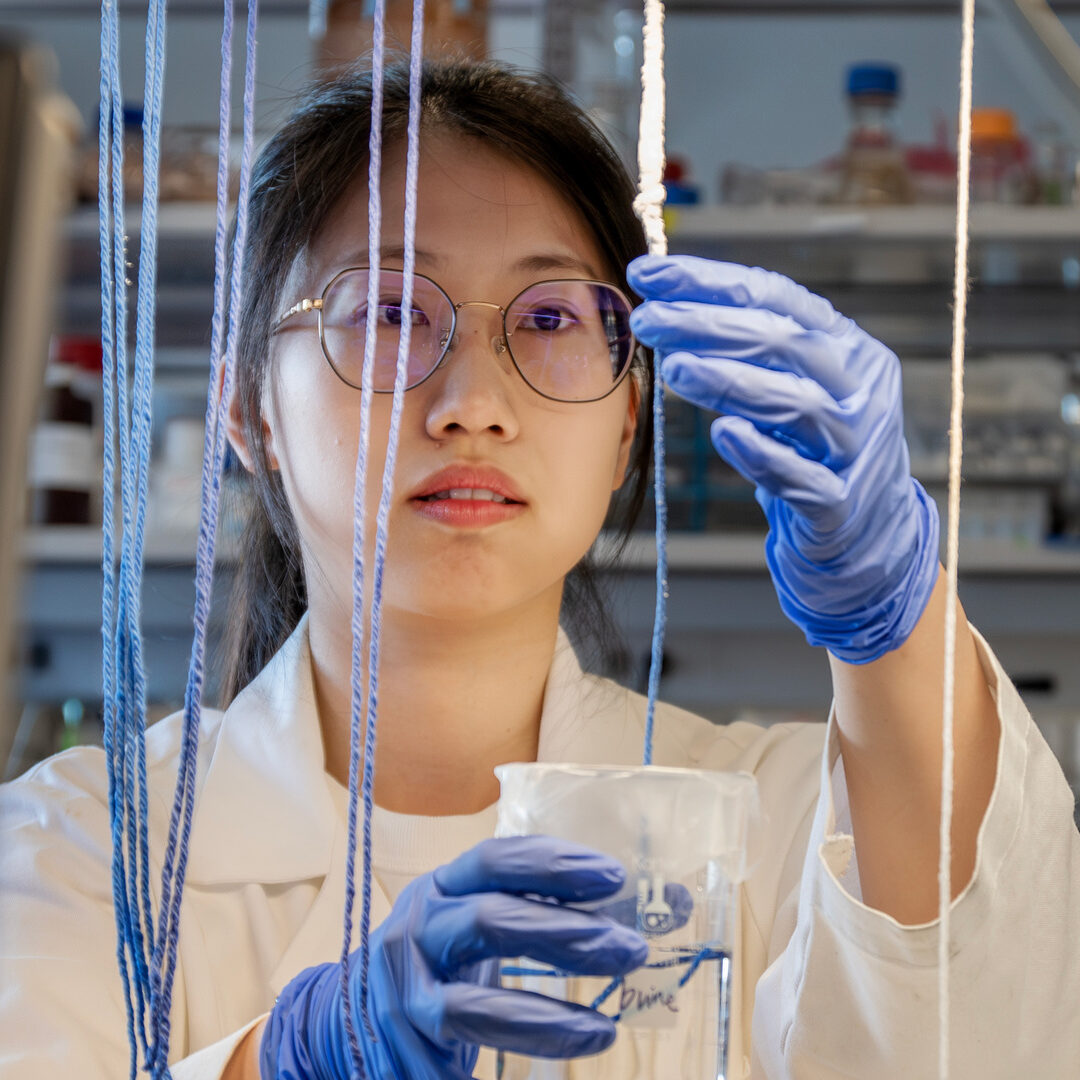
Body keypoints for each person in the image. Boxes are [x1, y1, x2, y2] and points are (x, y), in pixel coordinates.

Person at [2, 57, 1079, 1080]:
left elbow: (990, 1023)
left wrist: (893, 623)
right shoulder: (80, 848)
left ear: (627, 426)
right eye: (386, 312)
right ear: (247, 411)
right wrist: (295, 1057)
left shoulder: (775, 824)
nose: (473, 402)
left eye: (553, 318)